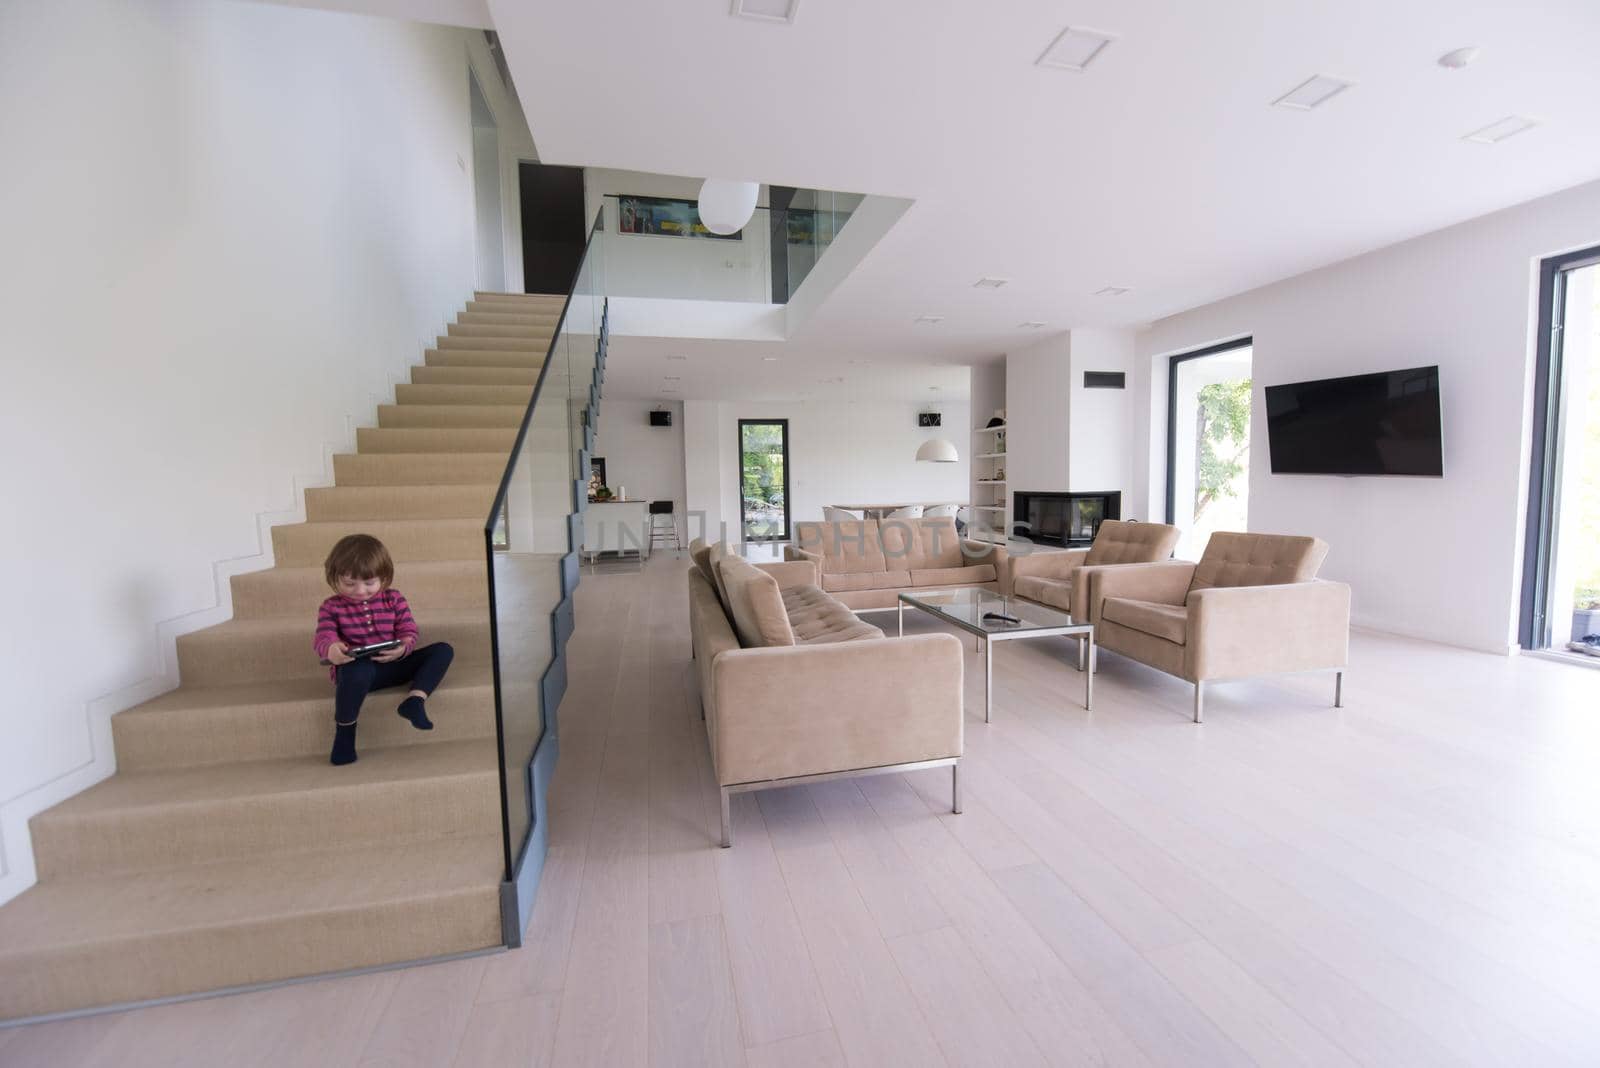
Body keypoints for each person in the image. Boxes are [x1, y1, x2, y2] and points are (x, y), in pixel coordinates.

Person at [313, 534, 453, 766]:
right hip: (359, 673)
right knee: (357, 669)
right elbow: (324, 636)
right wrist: (332, 650)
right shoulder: (331, 607)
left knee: (443, 650)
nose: (360, 591)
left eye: (369, 583)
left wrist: (403, 647)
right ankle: (345, 736)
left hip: (393, 664)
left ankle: (415, 701)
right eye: (350, 583)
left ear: (384, 577)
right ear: (334, 577)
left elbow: (409, 629)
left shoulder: (394, 598)